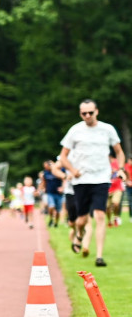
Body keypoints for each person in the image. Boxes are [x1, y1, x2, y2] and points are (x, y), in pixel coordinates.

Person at [59, 99, 125, 267]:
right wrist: (73, 171)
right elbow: (63, 157)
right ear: (80, 114)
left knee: (100, 215)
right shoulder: (75, 130)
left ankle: (99, 256)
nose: (87, 116)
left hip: (101, 178)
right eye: (84, 113)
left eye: (90, 112)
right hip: (81, 180)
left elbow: (119, 152)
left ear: (97, 111)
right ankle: (79, 235)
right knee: (81, 220)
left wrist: (121, 168)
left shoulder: (107, 129)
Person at [39, 159, 65, 227]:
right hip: (50, 193)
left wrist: (62, 187)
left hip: (58, 194)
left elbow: (64, 179)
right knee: (51, 206)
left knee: (58, 210)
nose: (45, 167)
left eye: (46, 166)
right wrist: (43, 188)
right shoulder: (46, 173)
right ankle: (51, 219)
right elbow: (44, 181)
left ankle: (56, 222)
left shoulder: (60, 171)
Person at [107, 155, 125, 227]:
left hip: (117, 187)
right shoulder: (104, 163)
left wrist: (122, 176)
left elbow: (123, 173)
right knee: (107, 208)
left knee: (116, 203)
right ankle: (109, 221)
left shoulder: (118, 163)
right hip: (107, 188)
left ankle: (116, 217)